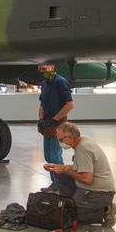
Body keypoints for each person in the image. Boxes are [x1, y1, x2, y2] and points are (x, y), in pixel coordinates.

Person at [44, 121, 116, 227]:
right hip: (87, 189)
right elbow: (80, 168)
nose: (59, 142)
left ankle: (104, 210)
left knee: (66, 216)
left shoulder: (83, 148)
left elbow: (87, 179)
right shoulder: (82, 141)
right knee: (59, 173)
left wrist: (65, 169)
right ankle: (72, 202)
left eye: (61, 139)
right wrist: (59, 167)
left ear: (71, 136)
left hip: (98, 194)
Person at [36, 63, 73, 191]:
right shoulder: (44, 84)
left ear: (52, 67)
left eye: (44, 68)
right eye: (40, 69)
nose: (42, 71)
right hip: (47, 124)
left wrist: (54, 119)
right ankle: (55, 184)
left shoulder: (60, 82)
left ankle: (62, 186)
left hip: (58, 124)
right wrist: (41, 119)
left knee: (55, 157)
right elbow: (42, 105)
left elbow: (69, 105)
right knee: (48, 156)